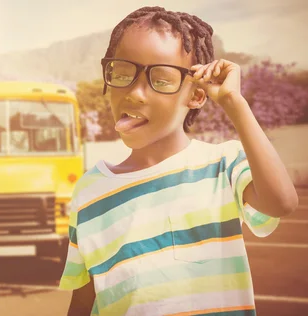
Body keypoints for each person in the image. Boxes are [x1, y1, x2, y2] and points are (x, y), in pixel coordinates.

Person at [59, 6, 299, 316]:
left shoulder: (221, 164)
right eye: (122, 72)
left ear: (197, 95)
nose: (136, 93)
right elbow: (83, 299)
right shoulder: (89, 193)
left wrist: (234, 103)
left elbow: (281, 202)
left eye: (161, 79)